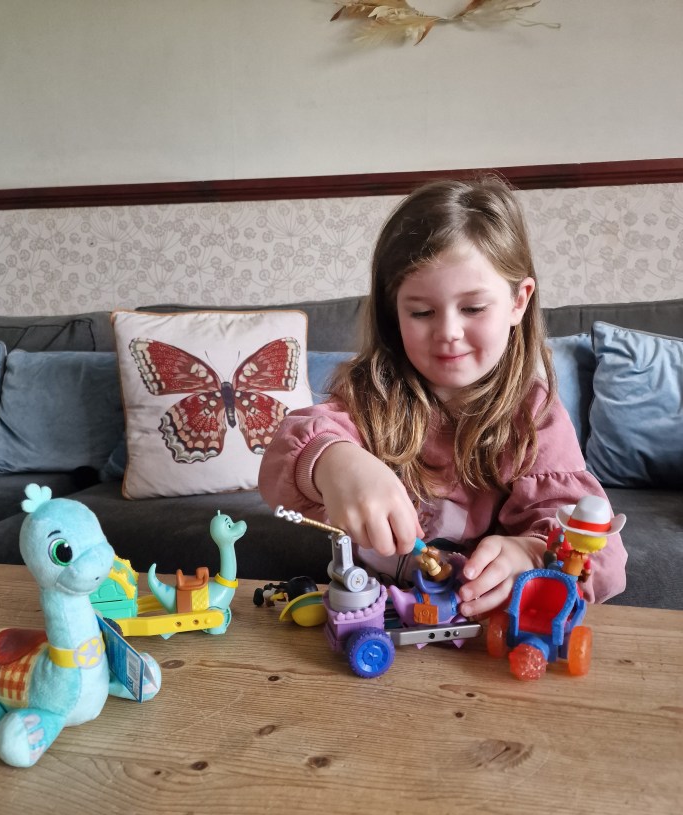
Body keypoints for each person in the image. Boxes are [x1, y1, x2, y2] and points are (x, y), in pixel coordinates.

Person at [258, 178, 627, 619]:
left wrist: (531, 553)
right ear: (394, 313)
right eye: (421, 312)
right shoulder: (369, 395)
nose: (448, 332)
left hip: (482, 634)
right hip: (376, 617)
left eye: (473, 308)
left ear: (518, 301)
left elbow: (603, 555)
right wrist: (335, 461)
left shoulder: (533, 414)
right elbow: (284, 457)